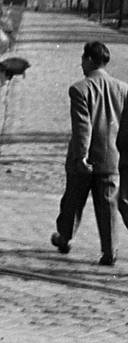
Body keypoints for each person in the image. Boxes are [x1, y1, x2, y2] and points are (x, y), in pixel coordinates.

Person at [52, 39, 128, 267]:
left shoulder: (80, 89)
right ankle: (110, 251)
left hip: (84, 160)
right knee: (108, 206)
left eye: (82, 60)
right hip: (113, 159)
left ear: (87, 60)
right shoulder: (124, 89)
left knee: (73, 201)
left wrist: (82, 155)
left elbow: (82, 125)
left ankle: (64, 239)